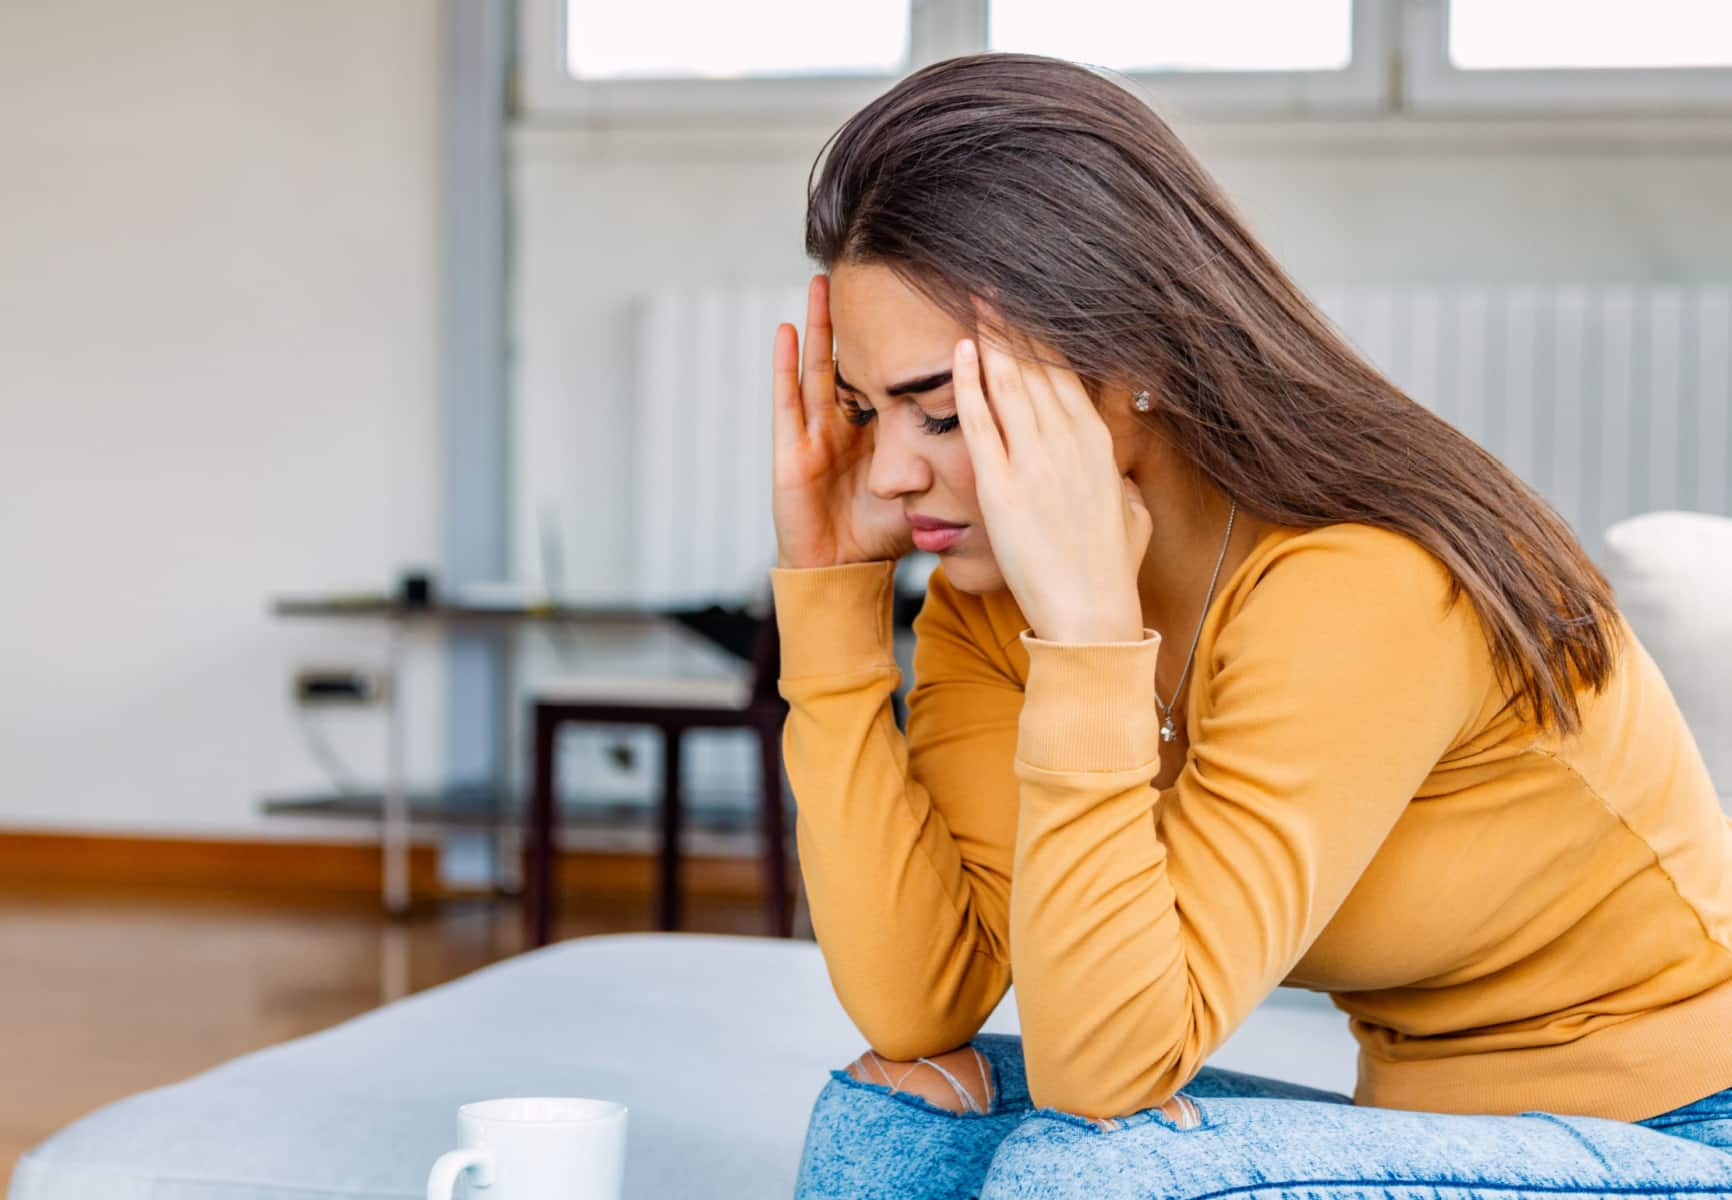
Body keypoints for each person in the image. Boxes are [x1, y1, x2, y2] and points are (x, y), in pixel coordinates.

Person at [765, 51, 1732, 1200]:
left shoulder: (1364, 580)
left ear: (1130, 356)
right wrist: (829, 605)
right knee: (890, 1119)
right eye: (865, 413)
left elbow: (1101, 1072)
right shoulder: (995, 597)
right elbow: (918, 999)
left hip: (1681, 1134)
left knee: (1096, 1178)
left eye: (941, 412)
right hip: (1432, 1137)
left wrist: (1088, 642)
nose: (886, 476)